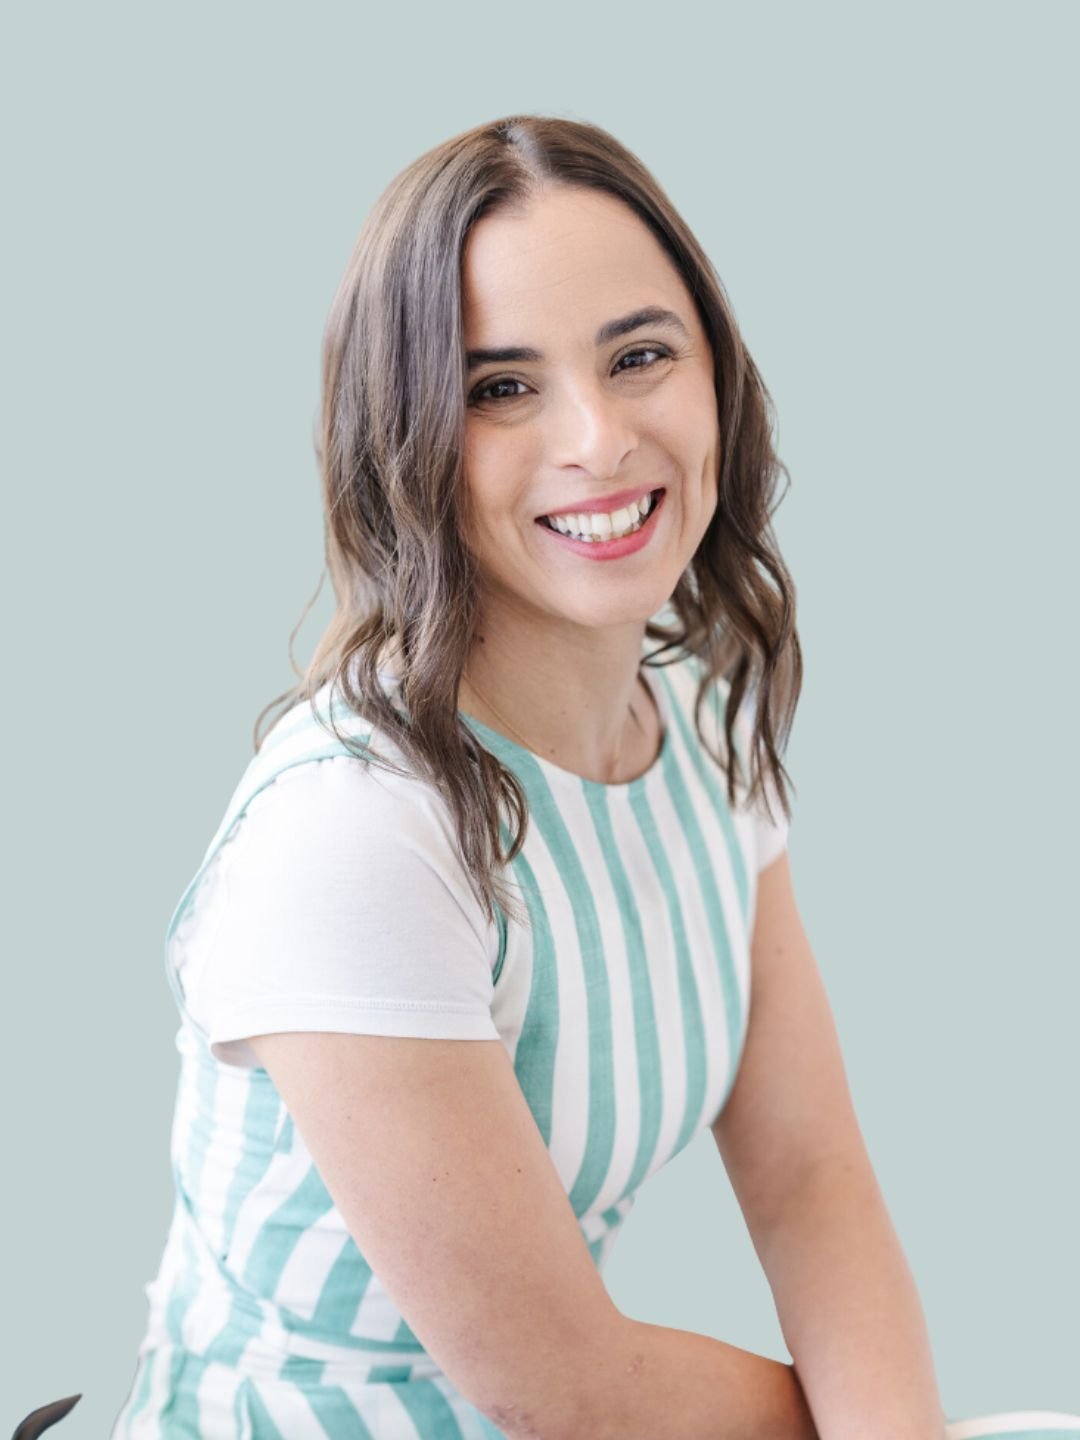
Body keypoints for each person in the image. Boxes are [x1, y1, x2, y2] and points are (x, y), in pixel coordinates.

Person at [109, 116, 1080, 1440]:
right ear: (405, 439)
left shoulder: (704, 718)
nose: (599, 437)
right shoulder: (356, 834)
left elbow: (808, 1176)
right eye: (502, 388)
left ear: (716, 374)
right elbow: (565, 1389)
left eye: (639, 356)